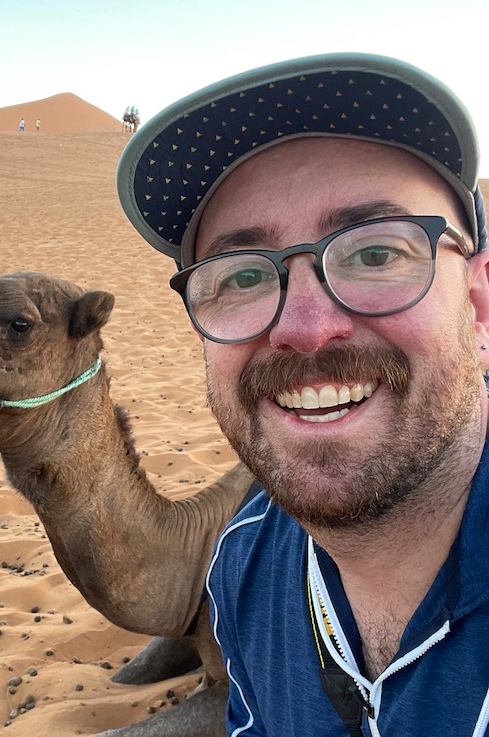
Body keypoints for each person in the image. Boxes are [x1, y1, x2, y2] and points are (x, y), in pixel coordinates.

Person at [117, 53, 489, 736]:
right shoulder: (244, 567)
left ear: (476, 299)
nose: (306, 329)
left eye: (375, 253)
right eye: (241, 275)